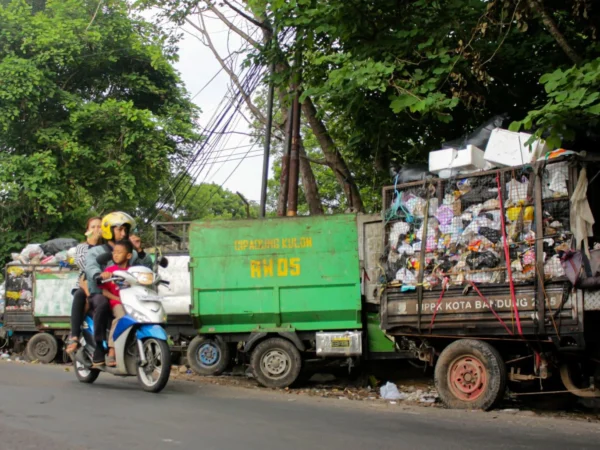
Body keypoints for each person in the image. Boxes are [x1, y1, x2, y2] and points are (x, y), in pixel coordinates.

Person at [84, 212, 152, 366]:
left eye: (125, 230)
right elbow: (91, 265)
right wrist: (97, 274)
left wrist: (139, 250)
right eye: (119, 229)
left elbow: (146, 267)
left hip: (127, 296)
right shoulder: (97, 251)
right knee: (102, 305)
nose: (123, 233)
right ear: (109, 230)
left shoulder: (131, 253)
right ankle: (102, 348)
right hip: (102, 291)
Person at [65, 217, 103, 357]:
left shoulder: (107, 246)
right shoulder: (81, 248)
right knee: (80, 295)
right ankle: (74, 336)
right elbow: (85, 266)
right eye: (93, 227)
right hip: (85, 282)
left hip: (104, 284)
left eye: (99, 226)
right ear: (87, 231)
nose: (96, 230)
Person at [100, 240, 133, 367]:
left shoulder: (133, 271)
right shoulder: (110, 270)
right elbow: (103, 291)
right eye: (114, 252)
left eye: (119, 252)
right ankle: (112, 351)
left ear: (129, 255)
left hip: (132, 302)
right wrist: (117, 298)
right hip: (116, 302)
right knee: (121, 317)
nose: (116, 255)